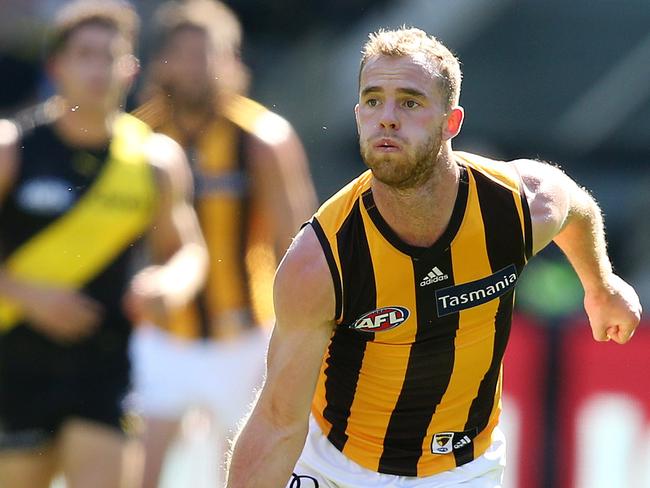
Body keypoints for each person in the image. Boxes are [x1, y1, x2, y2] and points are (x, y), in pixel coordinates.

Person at [226, 27, 642, 488]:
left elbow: (576, 208)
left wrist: (601, 285)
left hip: (463, 472)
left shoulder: (515, 206)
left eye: (409, 102)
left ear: (452, 122)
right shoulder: (321, 260)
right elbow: (277, 421)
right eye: (372, 100)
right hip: (336, 469)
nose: (386, 118)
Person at [0, 2, 208, 487]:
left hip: (106, 366)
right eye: (85, 55)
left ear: (131, 68)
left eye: (111, 56)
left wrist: (167, 283)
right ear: (57, 67)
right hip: (15, 367)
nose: (99, 69)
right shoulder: (13, 149)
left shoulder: (155, 160)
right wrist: (29, 295)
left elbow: (189, 251)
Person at [129, 1, 317, 486]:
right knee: (140, 471)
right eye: (185, 53)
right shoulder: (139, 137)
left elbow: (295, 241)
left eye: (208, 53)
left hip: (243, 335)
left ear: (233, 59)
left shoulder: (261, 138)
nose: (198, 65)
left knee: (239, 472)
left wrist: (296, 333)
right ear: (163, 59)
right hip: (162, 334)